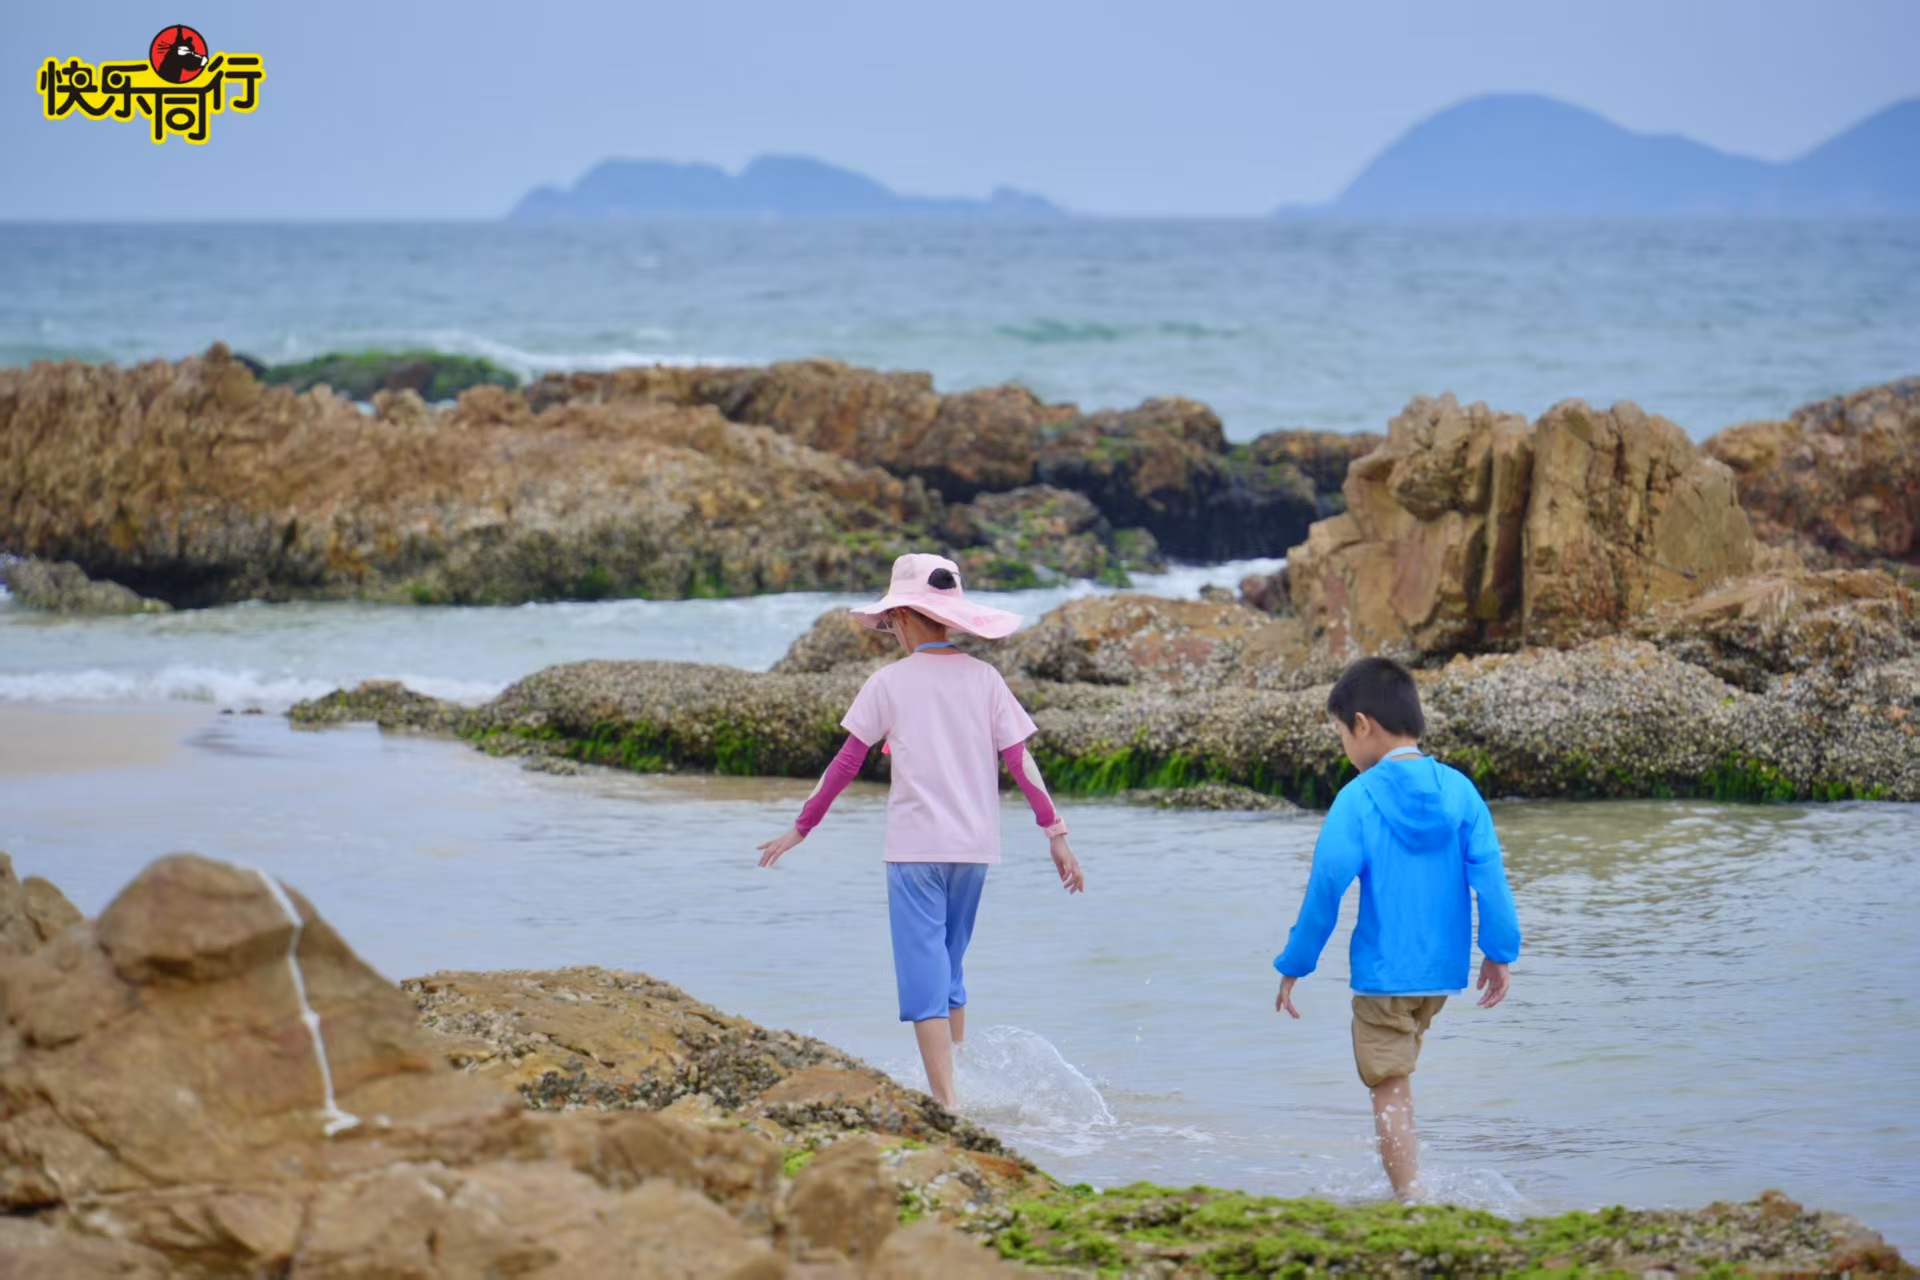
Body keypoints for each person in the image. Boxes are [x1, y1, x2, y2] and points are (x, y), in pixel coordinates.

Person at [756, 553, 1085, 1109]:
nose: (890, 632)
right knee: (950, 967)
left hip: (914, 850)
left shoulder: (888, 683)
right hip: (974, 851)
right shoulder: (986, 679)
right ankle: (963, 1081)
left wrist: (801, 827)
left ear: (905, 616)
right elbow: (1020, 761)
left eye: (890, 623)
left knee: (923, 976)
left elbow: (845, 764)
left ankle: (947, 1103)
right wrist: (1056, 833)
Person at [1272, 656, 1521, 1201]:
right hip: (1441, 975)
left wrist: (1296, 963)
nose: (1344, 745)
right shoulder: (1460, 790)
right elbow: (1491, 877)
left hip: (1385, 974)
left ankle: (1410, 1196)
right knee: (1400, 1070)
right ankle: (1412, 1185)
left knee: (1387, 1082)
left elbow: (1326, 887)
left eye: (1341, 733)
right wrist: (1499, 951)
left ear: (1362, 724)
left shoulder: (1357, 798)